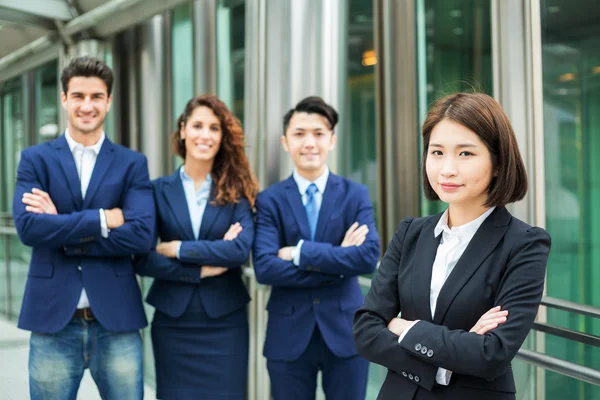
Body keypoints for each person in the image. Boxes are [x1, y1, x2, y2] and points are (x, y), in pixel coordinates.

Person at [353, 92, 551, 400]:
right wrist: (443, 365)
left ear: (498, 163)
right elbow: (366, 331)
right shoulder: (411, 233)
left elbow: (492, 353)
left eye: (465, 154)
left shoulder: (524, 244)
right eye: (437, 152)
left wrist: (405, 327)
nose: (447, 169)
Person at [12, 56, 154, 399]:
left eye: (95, 96)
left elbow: (141, 235)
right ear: (63, 99)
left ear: (108, 102)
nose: (86, 105)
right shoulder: (35, 159)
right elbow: (30, 229)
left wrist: (59, 226)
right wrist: (103, 219)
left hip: (116, 321)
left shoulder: (131, 163)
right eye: (78, 96)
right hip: (52, 321)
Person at [253, 96, 381, 400]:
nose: (309, 142)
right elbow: (265, 267)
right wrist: (338, 263)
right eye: (299, 134)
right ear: (286, 142)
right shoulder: (269, 200)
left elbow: (367, 258)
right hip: (288, 335)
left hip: (346, 334)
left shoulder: (355, 195)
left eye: (319, 134)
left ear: (332, 141)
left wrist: (299, 253)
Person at [134, 94, 258, 400]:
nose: (205, 135)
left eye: (214, 128)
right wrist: (203, 268)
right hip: (173, 321)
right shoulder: (155, 190)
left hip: (225, 323)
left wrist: (178, 249)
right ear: (183, 129)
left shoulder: (237, 192)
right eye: (198, 125)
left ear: (222, 137)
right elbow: (143, 257)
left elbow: (239, 252)